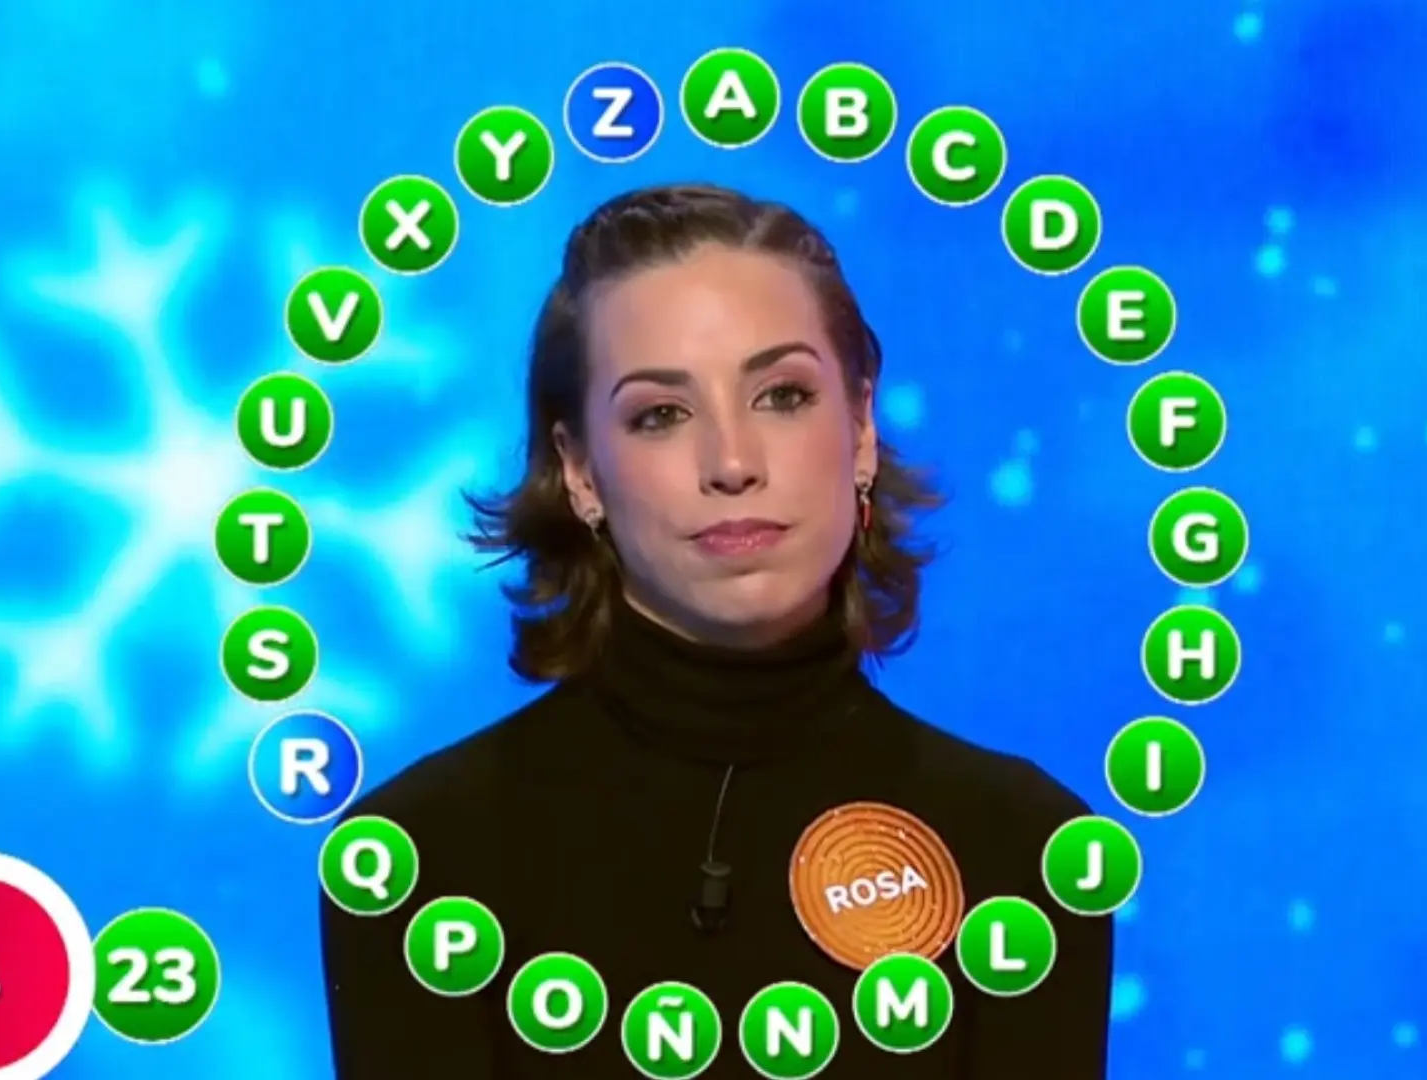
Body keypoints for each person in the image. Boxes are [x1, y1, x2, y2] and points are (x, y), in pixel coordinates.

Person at [320, 183, 1113, 1078]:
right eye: (661, 414)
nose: (732, 463)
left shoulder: (1022, 850)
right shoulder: (417, 859)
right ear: (580, 471)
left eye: (782, 395)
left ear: (860, 428)